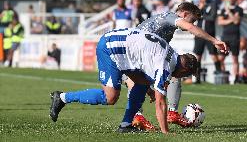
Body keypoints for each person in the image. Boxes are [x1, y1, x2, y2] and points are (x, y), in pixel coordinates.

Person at [49, 28, 198, 134]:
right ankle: (62, 98)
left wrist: (151, 91)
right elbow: (160, 102)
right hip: (110, 49)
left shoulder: (171, 54)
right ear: (184, 70)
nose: (180, 78)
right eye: (185, 76)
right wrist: (165, 132)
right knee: (111, 97)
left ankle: (126, 125)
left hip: (122, 48)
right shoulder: (165, 65)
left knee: (143, 82)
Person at [125, 2, 228, 130]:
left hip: (136, 54)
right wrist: (215, 41)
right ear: (184, 14)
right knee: (133, 80)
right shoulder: (169, 17)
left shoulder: (167, 29)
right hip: (129, 52)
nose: (193, 24)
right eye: (192, 20)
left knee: (173, 71)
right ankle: (139, 116)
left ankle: (168, 113)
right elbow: (190, 28)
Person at [191, 0, 221, 83]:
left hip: (209, 34)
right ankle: (197, 77)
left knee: (213, 55)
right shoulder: (197, 5)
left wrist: (202, 16)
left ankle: (219, 74)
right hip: (199, 34)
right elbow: (194, 17)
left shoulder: (212, 4)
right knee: (197, 56)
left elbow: (212, 17)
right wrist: (200, 8)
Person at [218, 0, 243, 83]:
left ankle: (235, 78)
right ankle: (224, 76)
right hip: (225, 37)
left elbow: (236, 21)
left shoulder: (239, 9)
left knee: (235, 58)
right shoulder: (223, 10)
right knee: (221, 58)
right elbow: (220, 22)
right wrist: (231, 19)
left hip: (235, 37)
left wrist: (229, 12)